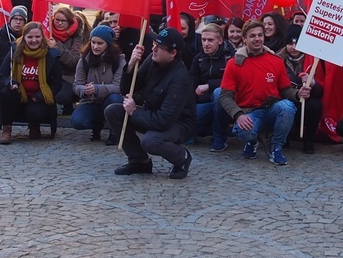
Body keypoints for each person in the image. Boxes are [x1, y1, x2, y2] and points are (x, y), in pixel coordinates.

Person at [105, 28, 195, 180]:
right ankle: (139, 161)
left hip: (178, 123)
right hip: (152, 113)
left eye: (159, 47)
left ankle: (182, 157)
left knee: (151, 141)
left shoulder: (180, 79)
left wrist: (134, 112)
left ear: (172, 53)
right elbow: (127, 89)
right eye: (154, 44)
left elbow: (163, 120)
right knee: (113, 111)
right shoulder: (153, 60)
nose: (153, 49)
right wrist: (131, 64)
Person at [219, 20, 309, 166]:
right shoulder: (233, 63)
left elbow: (285, 89)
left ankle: (276, 147)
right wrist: (238, 115)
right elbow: (224, 96)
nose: (257, 39)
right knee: (243, 131)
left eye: (260, 35)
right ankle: (252, 141)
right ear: (244, 39)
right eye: (252, 36)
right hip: (249, 111)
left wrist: (298, 94)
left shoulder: (276, 60)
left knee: (287, 107)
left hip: (272, 109)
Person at [0, 22, 63, 144]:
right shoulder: (14, 51)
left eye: (37, 37)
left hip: (38, 98)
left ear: (42, 37)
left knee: (35, 112)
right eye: (30, 37)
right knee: (5, 93)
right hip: (17, 94)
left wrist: (40, 96)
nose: (34, 40)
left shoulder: (51, 55)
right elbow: (1, 76)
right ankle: (6, 130)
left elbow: (57, 84)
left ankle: (34, 126)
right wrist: (10, 83)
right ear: (24, 37)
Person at [71, 25, 127, 143]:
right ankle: (96, 125)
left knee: (115, 99)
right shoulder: (84, 59)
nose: (95, 47)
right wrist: (84, 90)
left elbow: (118, 87)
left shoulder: (119, 60)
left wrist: (97, 89)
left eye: (100, 43)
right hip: (91, 101)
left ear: (108, 44)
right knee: (77, 121)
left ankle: (115, 131)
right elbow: (77, 84)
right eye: (93, 42)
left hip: (110, 99)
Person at [277, 24, 323, 154]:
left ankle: (309, 139)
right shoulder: (277, 59)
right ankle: (284, 136)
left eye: (297, 43)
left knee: (315, 105)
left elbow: (321, 92)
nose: (294, 47)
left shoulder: (314, 60)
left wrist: (313, 83)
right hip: (286, 98)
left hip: (307, 102)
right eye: (290, 43)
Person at [189, 23, 233, 151]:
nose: (206, 43)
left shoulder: (230, 57)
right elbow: (192, 83)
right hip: (205, 102)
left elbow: (234, 82)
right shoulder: (199, 59)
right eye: (203, 40)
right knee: (191, 121)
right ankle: (209, 129)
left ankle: (219, 137)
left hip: (228, 100)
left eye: (210, 40)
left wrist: (209, 85)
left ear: (220, 41)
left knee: (219, 93)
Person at [48, 6, 87, 114]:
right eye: (57, 20)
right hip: (51, 74)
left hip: (68, 76)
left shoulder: (77, 36)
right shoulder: (48, 32)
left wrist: (57, 47)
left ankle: (70, 101)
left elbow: (74, 60)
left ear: (69, 22)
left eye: (63, 21)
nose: (59, 23)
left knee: (61, 97)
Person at [0, 5, 27, 93]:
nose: (18, 22)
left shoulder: (28, 38)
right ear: (10, 20)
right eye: (15, 18)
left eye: (21, 19)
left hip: (21, 73)